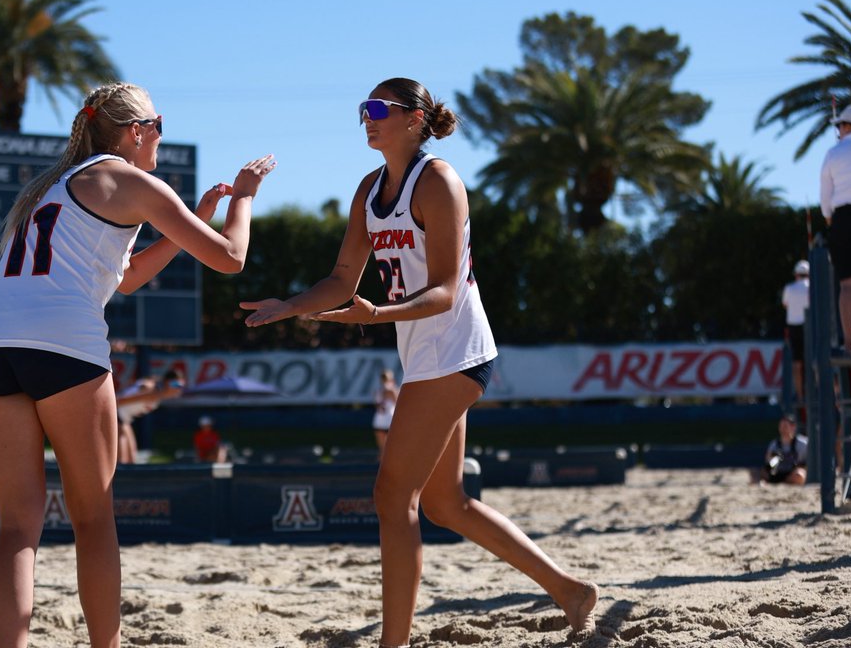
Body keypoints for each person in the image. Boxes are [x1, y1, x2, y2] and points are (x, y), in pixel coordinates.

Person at [241, 77, 598, 646]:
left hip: (456, 351)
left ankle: (395, 641)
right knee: (445, 504)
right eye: (363, 108)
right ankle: (570, 590)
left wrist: (377, 315)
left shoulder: (438, 182)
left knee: (392, 496)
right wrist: (290, 305)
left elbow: (446, 291)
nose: (368, 117)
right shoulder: (369, 189)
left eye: (379, 108)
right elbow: (341, 279)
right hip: (427, 353)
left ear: (414, 119)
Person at [0, 81, 275, 648]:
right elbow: (232, 257)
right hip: (62, 340)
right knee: (93, 520)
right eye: (159, 125)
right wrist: (244, 198)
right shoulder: (131, 181)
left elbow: (124, 279)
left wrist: (193, 221)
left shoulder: (51, 185)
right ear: (135, 131)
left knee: (17, 527)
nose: (160, 136)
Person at [820, 103, 851, 353]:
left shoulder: (833, 154)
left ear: (845, 126)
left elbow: (825, 196)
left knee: (848, 286)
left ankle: (849, 343)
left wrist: (829, 218)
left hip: (842, 218)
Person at [116, 374, 182, 465]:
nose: (178, 389)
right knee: (121, 461)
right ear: (167, 383)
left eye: (181, 386)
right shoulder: (151, 391)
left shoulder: (156, 394)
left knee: (131, 460)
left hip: (124, 419)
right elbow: (119, 401)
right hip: (116, 415)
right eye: (176, 385)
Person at [781, 260, 810, 407]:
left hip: (793, 327)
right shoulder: (811, 287)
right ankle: (818, 391)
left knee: (796, 363)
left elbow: (785, 304)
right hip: (809, 326)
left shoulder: (789, 288)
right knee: (813, 360)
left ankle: (800, 395)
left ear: (796, 274)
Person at [761, 413, 808, 485]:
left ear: (793, 427)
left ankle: (784, 482)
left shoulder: (802, 443)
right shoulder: (774, 444)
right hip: (777, 473)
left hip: (792, 473)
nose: (783, 429)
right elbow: (768, 462)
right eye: (781, 426)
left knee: (800, 475)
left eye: (785, 426)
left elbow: (807, 463)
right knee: (759, 473)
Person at [372, 368, 399, 459]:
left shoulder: (394, 390)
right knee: (382, 449)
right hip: (380, 421)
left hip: (390, 421)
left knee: (392, 448)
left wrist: (391, 393)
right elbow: (378, 406)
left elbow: (398, 404)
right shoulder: (379, 391)